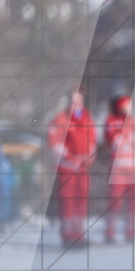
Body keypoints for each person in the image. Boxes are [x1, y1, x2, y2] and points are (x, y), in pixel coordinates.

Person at [48, 88, 96, 247]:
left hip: (83, 168)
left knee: (81, 202)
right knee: (67, 202)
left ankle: (79, 234)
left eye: (79, 102)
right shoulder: (61, 119)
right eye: (74, 102)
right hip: (67, 168)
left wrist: (88, 157)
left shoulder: (87, 118)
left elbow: (92, 140)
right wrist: (69, 157)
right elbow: (54, 142)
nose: (76, 105)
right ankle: (68, 235)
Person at [104, 95, 135, 243]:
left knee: (133, 203)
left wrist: (126, 138)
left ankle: (131, 232)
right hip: (118, 170)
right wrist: (127, 138)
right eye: (125, 106)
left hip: (134, 170)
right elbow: (114, 142)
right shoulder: (112, 121)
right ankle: (110, 231)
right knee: (115, 202)